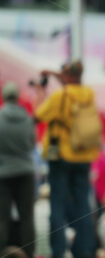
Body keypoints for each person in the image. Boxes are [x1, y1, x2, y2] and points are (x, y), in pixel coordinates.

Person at [34, 61, 99, 258]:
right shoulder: (89, 95)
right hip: (83, 156)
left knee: (57, 207)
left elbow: (37, 116)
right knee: (83, 206)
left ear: (67, 76)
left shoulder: (58, 97)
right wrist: (54, 73)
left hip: (60, 156)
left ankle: (59, 251)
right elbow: (70, 82)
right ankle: (85, 251)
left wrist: (39, 94)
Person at [0, 82, 36, 258]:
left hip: (3, 174)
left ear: (4, 97)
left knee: (2, 218)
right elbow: (32, 143)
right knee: (27, 218)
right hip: (26, 172)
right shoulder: (27, 119)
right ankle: (28, 254)